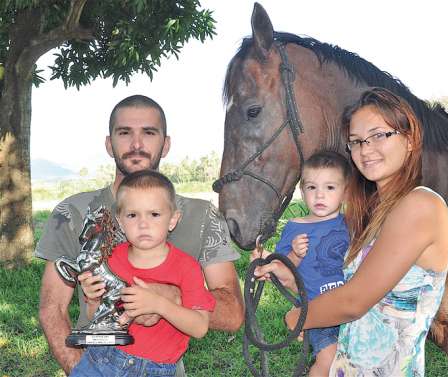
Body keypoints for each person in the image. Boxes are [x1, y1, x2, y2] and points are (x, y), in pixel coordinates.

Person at [36, 95, 244, 376]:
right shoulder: (73, 212)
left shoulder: (202, 215)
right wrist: (81, 370)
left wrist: (169, 297)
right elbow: (52, 309)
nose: (136, 144)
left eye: (149, 132)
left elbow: (232, 314)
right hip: (95, 359)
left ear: (165, 144)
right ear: (109, 144)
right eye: (124, 133)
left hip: (162, 366)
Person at [255, 87, 448, 376]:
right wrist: (289, 274)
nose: (365, 149)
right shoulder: (373, 216)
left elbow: (354, 301)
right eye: (357, 141)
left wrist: (299, 317)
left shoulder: (421, 205)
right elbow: (340, 289)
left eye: (379, 135)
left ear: (409, 140)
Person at [71, 170, 215, 376]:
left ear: (173, 220)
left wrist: (159, 304)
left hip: (152, 369)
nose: (143, 224)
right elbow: (99, 320)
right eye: (132, 215)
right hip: (100, 359)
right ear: (120, 222)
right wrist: (94, 300)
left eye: (154, 214)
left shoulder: (187, 267)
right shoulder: (110, 259)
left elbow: (200, 327)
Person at [254, 151, 350, 376]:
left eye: (330, 188)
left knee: (351, 362)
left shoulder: (351, 223)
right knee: (328, 359)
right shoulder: (295, 227)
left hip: (350, 306)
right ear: (302, 191)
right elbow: (284, 270)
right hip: (317, 309)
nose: (320, 196)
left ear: (345, 192)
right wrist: (295, 255)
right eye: (312, 188)